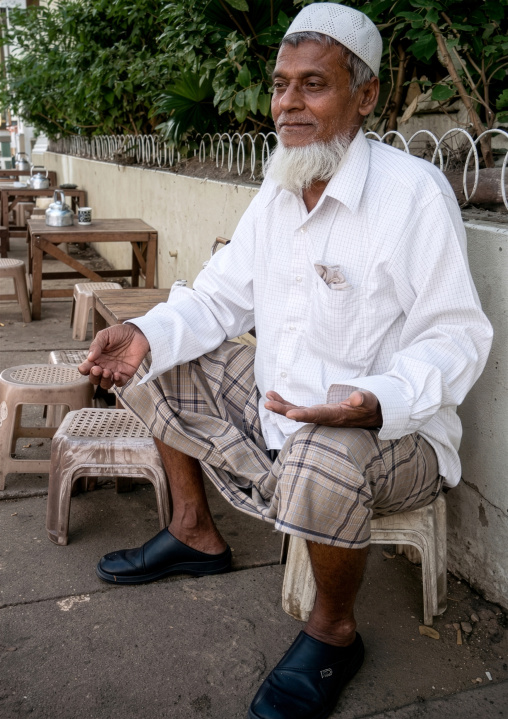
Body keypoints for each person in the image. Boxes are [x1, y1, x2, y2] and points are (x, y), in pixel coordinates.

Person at [79, 4, 493, 719]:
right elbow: (216, 299)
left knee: (324, 453)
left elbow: (455, 338)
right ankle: (192, 530)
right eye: (280, 85)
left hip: (395, 431)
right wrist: (146, 331)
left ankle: (333, 630)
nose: (288, 105)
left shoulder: (411, 196)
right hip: (281, 407)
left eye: (313, 85)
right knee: (161, 352)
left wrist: (373, 401)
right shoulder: (277, 190)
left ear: (366, 97)